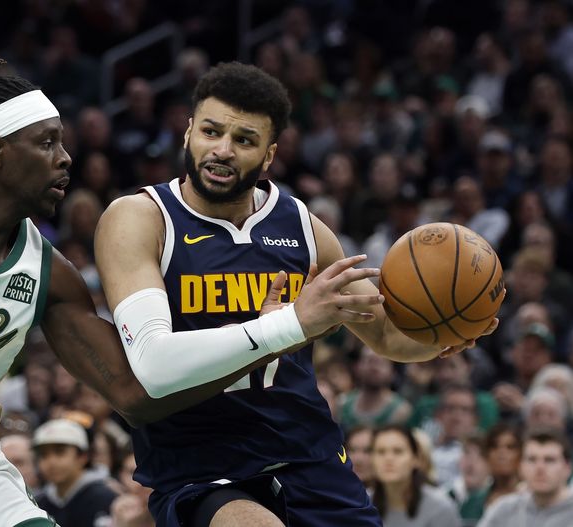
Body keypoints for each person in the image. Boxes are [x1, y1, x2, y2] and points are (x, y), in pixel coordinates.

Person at [0, 41, 361, 526]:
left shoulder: (47, 272)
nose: (66, 158)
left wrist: (276, 333)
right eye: (46, 143)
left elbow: (138, 395)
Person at [94, 62, 497, 526]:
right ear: (187, 133)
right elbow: (152, 363)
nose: (222, 150)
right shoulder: (141, 218)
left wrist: (443, 333)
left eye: (244, 140)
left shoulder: (302, 228)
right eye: (211, 131)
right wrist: (288, 325)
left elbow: (385, 335)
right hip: (202, 467)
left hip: (310, 456)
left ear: (269, 156)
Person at [478, 428, 573, 527]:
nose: (540, 468)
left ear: (567, 468)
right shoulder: (503, 510)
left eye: (549, 460)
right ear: (521, 466)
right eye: (532, 459)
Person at [33, 418, 119, 527]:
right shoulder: (38, 503)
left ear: (82, 456)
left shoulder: (106, 498)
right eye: (43, 455)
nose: (51, 462)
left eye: (60, 452)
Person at [371, 425, 462, 527]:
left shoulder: (440, 508)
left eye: (398, 451)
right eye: (381, 452)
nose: (388, 458)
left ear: (416, 459)